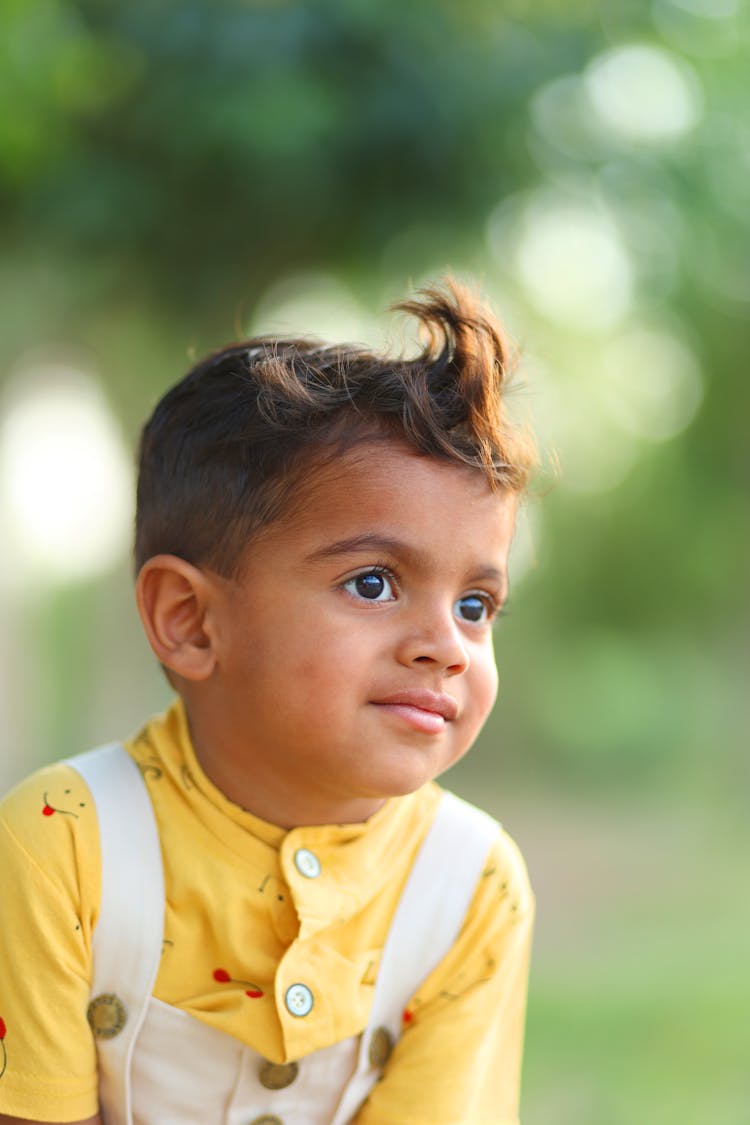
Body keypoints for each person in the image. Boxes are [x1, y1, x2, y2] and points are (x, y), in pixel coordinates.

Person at [0, 278, 537, 1125]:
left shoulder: (471, 887)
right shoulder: (62, 848)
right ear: (191, 621)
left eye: (476, 603)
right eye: (373, 582)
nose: (447, 643)